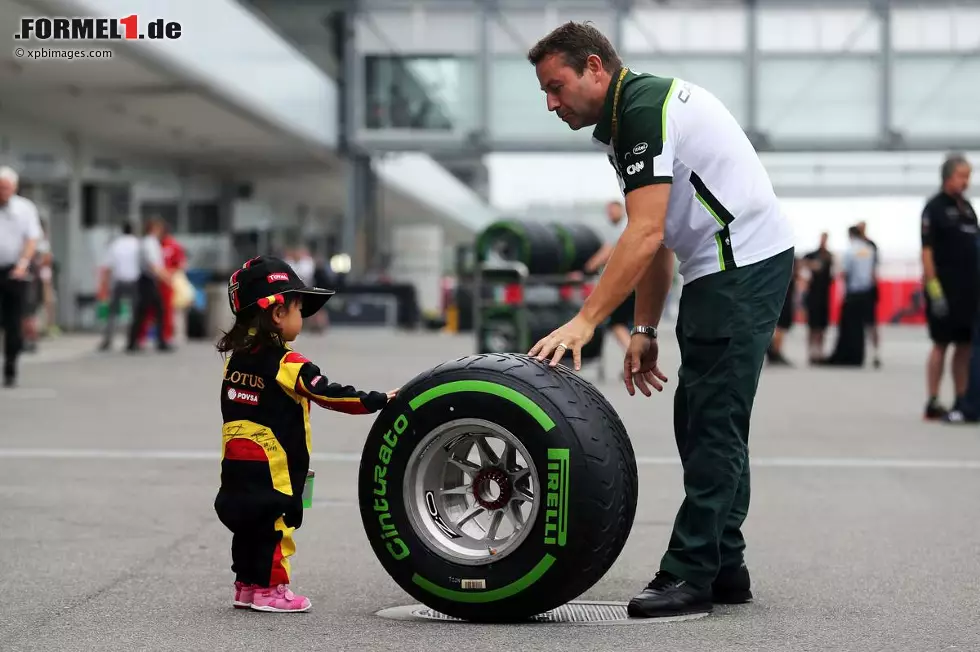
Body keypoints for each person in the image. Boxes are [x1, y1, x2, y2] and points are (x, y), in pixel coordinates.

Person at [525, 21, 796, 618]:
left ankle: (691, 570)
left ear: (595, 67)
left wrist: (587, 321)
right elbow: (663, 233)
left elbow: (645, 231)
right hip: (719, 265)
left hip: (740, 262)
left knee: (714, 420)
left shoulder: (646, 109)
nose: (551, 103)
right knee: (701, 415)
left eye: (556, 86)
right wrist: (644, 328)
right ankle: (725, 563)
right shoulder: (629, 118)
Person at [213, 256, 397, 612]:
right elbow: (329, 393)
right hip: (277, 468)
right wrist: (376, 400)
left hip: (236, 466)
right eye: (299, 308)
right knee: (275, 528)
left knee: (247, 526)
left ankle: (246, 587)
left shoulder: (236, 360)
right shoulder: (288, 363)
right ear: (278, 314)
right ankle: (271, 591)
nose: (303, 317)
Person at [920, 153, 978, 420]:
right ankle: (933, 400)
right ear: (947, 176)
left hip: (969, 292)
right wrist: (935, 293)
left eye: (968, 177)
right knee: (941, 344)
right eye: (961, 176)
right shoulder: (934, 208)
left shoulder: (968, 209)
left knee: (964, 347)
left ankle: (961, 399)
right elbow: (927, 253)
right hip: (943, 291)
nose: (966, 182)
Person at [0, 166, 42, 388]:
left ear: (14, 188)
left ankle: (10, 368)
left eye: (5, 188)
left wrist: (23, 263)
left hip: (14, 270)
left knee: (13, 322)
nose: (2, 192)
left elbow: (31, 239)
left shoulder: (25, 209)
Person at [817, 226, 877, 367]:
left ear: (850, 235)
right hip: (866, 292)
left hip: (853, 292)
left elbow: (845, 272)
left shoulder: (850, 251)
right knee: (860, 327)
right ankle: (858, 356)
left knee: (848, 326)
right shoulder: (868, 250)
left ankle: (846, 355)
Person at [582, 200, 633, 354]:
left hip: (627, 281)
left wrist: (585, 270)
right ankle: (637, 357)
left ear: (622, 210)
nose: (610, 215)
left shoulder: (621, 228)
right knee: (637, 324)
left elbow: (607, 252)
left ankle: (635, 358)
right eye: (608, 212)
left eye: (613, 211)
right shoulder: (626, 226)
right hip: (637, 280)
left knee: (617, 323)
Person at [126, 219, 172, 353]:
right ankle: (160, 341)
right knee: (157, 310)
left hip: (148, 280)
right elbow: (153, 265)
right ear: (154, 229)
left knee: (143, 312)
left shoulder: (149, 242)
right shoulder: (149, 243)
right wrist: (165, 277)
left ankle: (133, 342)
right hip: (147, 280)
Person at [98, 222, 142, 351]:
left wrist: (104, 284)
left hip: (119, 281)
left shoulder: (116, 244)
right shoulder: (137, 244)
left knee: (112, 312)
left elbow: (108, 266)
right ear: (133, 230)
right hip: (134, 281)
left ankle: (107, 340)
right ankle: (132, 340)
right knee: (135, 312)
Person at [802, 232, 834, 363]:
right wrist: (811, 266)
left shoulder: (829, 256)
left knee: (822, 326)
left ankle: (820, 351)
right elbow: (801, 264)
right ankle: (811, 351)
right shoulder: (811, 255)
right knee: (812, 325)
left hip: (824, 295)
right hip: (813, 295)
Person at [855, 221, 882, 367]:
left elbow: (874, 266)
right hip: (860, 288)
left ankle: (876, 352)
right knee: (860, 323)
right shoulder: (855, 247)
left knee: (871, 323)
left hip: (868, 288)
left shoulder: (870, 246)